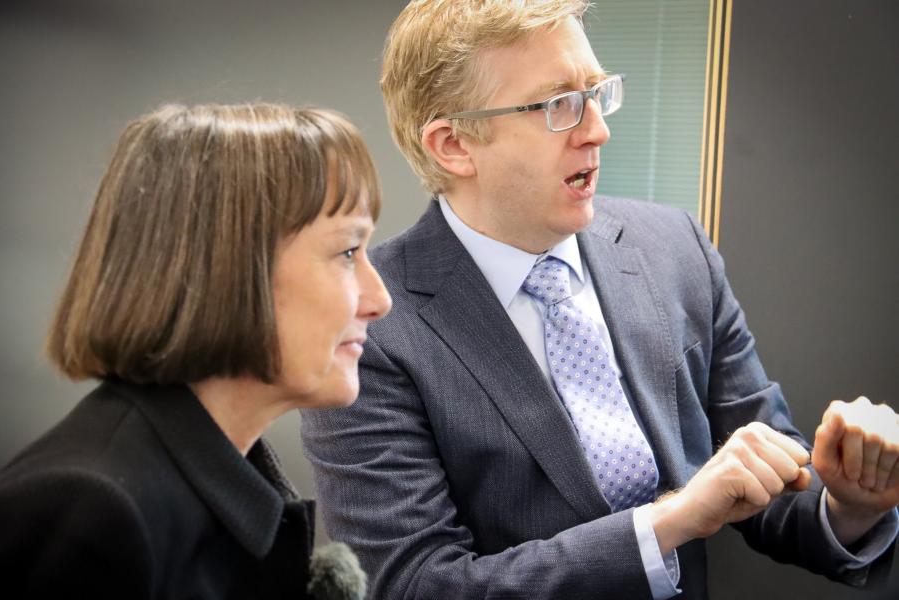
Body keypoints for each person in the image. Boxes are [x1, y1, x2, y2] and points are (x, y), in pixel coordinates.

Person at [299, 1, 899, 599]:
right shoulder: (366, 325)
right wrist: (669, 523)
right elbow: (415, 584)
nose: (597, 129)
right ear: (454, 144)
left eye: (596, 93)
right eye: (558, 105)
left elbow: (770, 475)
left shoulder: (674, 248)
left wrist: (851, 504)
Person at [0, 103, 391, 599]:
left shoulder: (225, 495)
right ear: (231, 265)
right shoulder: (84, 513)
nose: (380, 300)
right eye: (348, 251)